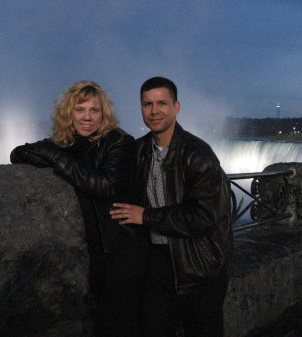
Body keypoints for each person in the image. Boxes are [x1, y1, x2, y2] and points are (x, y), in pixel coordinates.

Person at [10, 80, 148, 337]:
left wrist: (54, 157)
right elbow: (18, 154)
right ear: (68, 113)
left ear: (103, 114)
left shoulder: (119, 142)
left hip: (120, 248)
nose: (87, 117)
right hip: (91, 251)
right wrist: (54, 152)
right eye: (80, 109)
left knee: (118, 324)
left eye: (94, 110)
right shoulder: (65, 141)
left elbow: (104, 185)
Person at [110, 76, 233, 337]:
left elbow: (204, 216)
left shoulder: (197, 154)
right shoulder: (140, 151)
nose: (154, 111)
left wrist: (146, 216)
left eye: (162, 103)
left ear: (176, 107)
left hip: (198, 264)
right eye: (147, 104)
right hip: (156, 264)